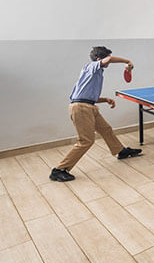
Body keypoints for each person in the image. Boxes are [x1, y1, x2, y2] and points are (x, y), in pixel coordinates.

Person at [50, 46, 142, 182]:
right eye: (107, 60)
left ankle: (120, 151)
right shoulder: (91, 67)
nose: (109, 63)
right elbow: (109, 59)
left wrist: (105, 99)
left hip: (88, 106)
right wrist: (127, 61)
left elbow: (87, 95)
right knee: (86, 141)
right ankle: (59, 170)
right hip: (81, 108)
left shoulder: (95, 74)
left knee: (106, 129)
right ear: (99, 59)